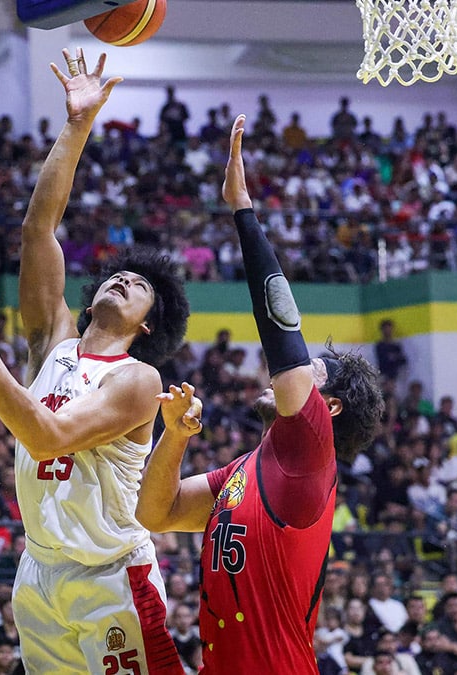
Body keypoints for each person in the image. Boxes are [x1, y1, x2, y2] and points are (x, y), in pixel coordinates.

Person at [0, 48, 188, 675]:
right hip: (40, 569)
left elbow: (45, 437)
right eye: (118, 274)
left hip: (111, 577)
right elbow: (39, 231)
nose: (122, 279)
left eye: (139, 286)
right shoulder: (53, 341)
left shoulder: (138, 380)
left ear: (147, 323)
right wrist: (77, 125)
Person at [135, 114, 383, 674]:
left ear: (330, 407)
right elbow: (157, 511)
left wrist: (242, 210)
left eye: (309, 371)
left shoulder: (311, 450)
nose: (282, 374)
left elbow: (279, 321)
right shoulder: (249, 468)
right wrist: (174, 437)